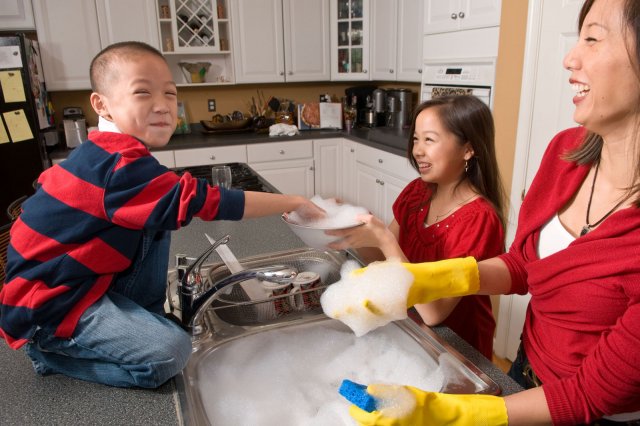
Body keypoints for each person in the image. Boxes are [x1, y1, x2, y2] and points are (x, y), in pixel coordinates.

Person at [340, 0, 640, 424]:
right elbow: (524, 264)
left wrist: (445, 413)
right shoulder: (565, 153)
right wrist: (431, 278)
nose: (570, 57)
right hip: (524, 373)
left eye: (592, 38)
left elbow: (588, 396)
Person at [0, 41, 323, 389]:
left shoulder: (112, 153)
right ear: (102, 104)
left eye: (170, 93)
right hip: (51, 306)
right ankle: (49, 353)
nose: (163, 105)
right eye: (142, 92)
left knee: (159, 216)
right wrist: (294, 201)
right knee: (171, 353)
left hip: (79, 281)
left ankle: (145, 317)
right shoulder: (117, 164)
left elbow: (177, 199)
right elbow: (209, 202)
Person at [328, 95, 506, 360]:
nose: (417, 150)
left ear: (467, 150)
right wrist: (348, 225)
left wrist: (385, 239)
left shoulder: (479, 219)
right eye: (416, 139)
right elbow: (382, 260)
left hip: (457, 347)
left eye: (430, 140)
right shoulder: (416, 193)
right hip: (412, 330)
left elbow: (434, 312)